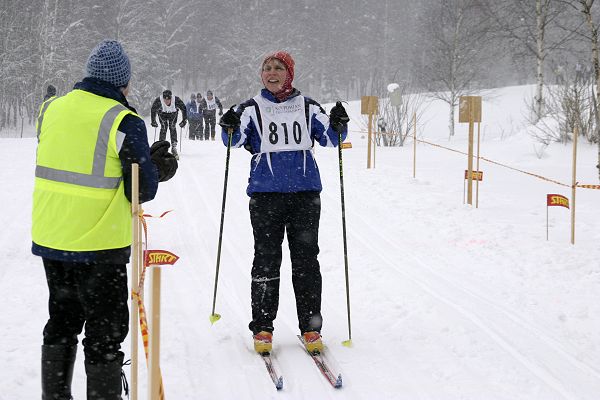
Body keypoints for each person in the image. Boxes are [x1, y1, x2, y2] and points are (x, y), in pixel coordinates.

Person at [33, 39, 178, 400]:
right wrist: (158, 167)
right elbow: (141, 188)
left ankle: (55, 395)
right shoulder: (123, 120)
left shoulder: (52, 108)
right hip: (100, 245)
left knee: (62, 323)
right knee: (104, 334)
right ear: (122, 83)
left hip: (53, 236)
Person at [218, 51, 349, 355]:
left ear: (289, 73)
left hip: (304, 195)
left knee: (306, 262)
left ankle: (310, 328)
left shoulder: (308, 106)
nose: (271, 73)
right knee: (266, 259)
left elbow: (331, 139)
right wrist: (229, 125)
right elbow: (233, 142)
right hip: (266, 196)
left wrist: (339, 123)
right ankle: (263, 327)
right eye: (266, 68)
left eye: (278, 68)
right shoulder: (251, 107)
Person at [151, 89, 187, 158]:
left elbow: (183, 108)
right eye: (165, 99)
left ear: (171, 98)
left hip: (173, 113)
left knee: (172, 127)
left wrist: (184, 120)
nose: (166, 101)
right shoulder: (159, 100)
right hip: (162, 113)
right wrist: (153, 121)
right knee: (164, 127)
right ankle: (161, 146)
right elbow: (153, 109)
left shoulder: (176, 100)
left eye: (168, 100)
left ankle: (174, 147)